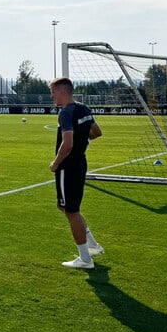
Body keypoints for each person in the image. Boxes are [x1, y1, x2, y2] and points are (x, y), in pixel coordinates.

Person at [49, 77, 104, 270]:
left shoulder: (66, 112)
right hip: (80, 163)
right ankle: (92, 245)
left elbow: (68, 144)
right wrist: (83, 139)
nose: (52, 96)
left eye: (53, 92)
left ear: (62, 91)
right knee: (66, 207)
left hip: (68, 166)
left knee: (71, 211)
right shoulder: (83, 108)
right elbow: (96, 132)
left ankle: (85, 259)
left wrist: (55, 163)